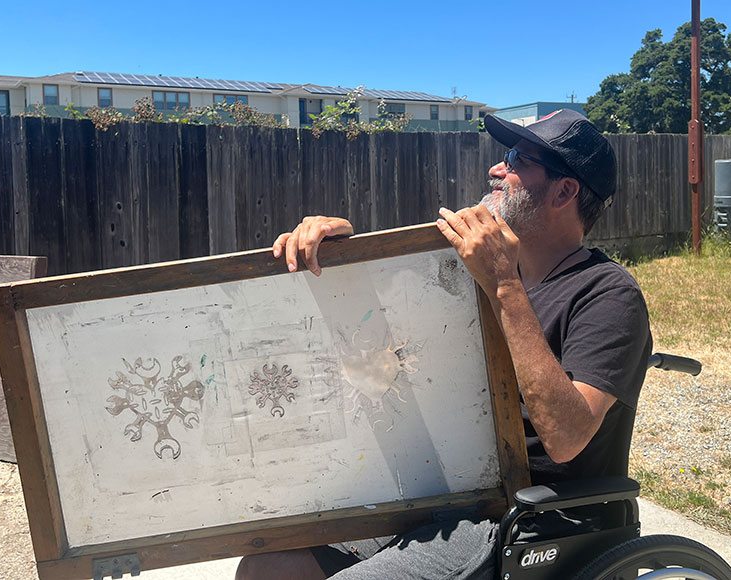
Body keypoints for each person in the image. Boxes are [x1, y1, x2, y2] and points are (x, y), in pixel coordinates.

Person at [235, 110, 653, 580]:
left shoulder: (608, 294)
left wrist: (504, 288)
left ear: (564, 191)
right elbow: (388, 324)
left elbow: (567, 438)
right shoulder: (468, 272)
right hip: (439, 492)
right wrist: (343, 253)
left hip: (523, 521)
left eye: (517, 160)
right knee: (265, 568)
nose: (497, 169)